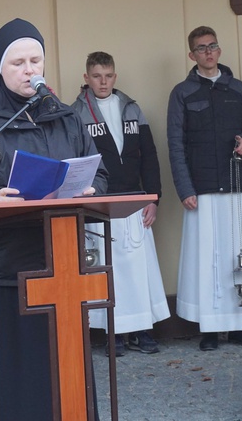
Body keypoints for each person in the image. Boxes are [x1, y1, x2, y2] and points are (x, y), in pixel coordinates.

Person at [0, 18, 108, 421]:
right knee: (3, 378)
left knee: (56, 374)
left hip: (58, 264)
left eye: (36, 60)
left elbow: (98, 170)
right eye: (19, 63)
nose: (30, 70)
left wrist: (90, 189)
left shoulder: (65, 116)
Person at [167, 26, 242, 351]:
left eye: (212, 46)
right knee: (206, 259)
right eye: (201, 48)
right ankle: (208, 328)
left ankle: (239, 326)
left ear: (219, 51)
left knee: (239, 255)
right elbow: (175, 144)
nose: (208, 52)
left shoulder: (238, 89)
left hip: (235, 186)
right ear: (192, 55)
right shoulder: (182, 92)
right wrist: (184, 188)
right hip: (201, 190)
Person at [72, 51, 170, 357]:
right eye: (97, 76)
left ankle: (142, 330)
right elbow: (75, 160)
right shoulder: (76, 114)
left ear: (116, 76)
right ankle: (110, 333)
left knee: (137, 271)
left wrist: (153, 197)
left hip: (133, 200)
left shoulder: (132, 108)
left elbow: (150, 156)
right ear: (86, 78)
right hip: (99, 202)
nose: (104, 82)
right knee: (106, 270)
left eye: (109, 75)